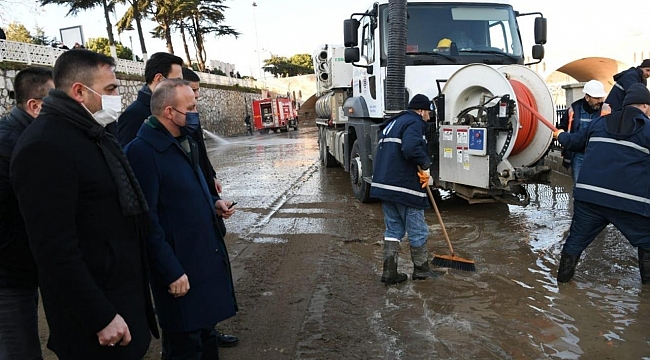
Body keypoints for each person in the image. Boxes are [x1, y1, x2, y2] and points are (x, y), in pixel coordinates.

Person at [10, 49, 158, 359]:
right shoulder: (44, 146)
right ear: (79, 91)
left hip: (121, 302)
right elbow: (54, 249)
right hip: (97, 327)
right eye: (111, 89)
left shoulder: (94, 133)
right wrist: (99, 316)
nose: (118, 96)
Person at [124, 79, 238, 360]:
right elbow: (147, 220)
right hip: (180, 271)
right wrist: (171, 271)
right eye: (191, 107)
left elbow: (187, 191)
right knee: (185, 347)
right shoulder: (142, 152)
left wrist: (214, 204)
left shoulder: (183, 142)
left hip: (202, 261)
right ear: (169, 112)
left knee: (206, 338)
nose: (196, 112)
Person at [553, 83, 650, 285]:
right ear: (646, 106)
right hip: (629, 202)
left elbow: (574, 142)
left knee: (575, 241)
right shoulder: (648, 129)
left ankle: (561, 284)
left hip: (590, 197)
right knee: (647, 241)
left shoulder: (599, 124)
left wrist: (559, 135)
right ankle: (646, 293)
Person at [182, 67, 238, 348]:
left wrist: (212, 192)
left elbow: (199, 158)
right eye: (193, 93)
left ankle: (208, 331)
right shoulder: (147, 140)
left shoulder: (187, 124)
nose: (197, 99)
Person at [0, 66, 53, 360]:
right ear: (35, 106)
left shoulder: (25, 136)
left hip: (21, 271)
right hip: (9, 278)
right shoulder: (10, 145)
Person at [370, 94, 438, 284]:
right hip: (404, 187)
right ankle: (422, 271)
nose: (429, 118)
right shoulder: (414, 122)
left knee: (393, 229)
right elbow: (410, 149)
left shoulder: (395, 122)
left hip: (385, 185)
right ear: (421, 110)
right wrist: (425, 165)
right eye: (428, 113)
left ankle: (390, 273)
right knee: (418, 229)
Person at [117, 52, 184, 147]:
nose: (181, 86)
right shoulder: (133, 115)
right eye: (177, 80)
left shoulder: (172, 108)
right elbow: (128, 156)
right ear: (159, 78)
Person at [558, 80, 611, 182]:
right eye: (596, 98)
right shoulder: (574, 109)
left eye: (601, 97)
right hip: (578, 155)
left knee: (597, 184)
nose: (600, 100)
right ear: (587, 97)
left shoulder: (607, 110)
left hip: (599, 155)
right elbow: (563, 127)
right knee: (578, 186)